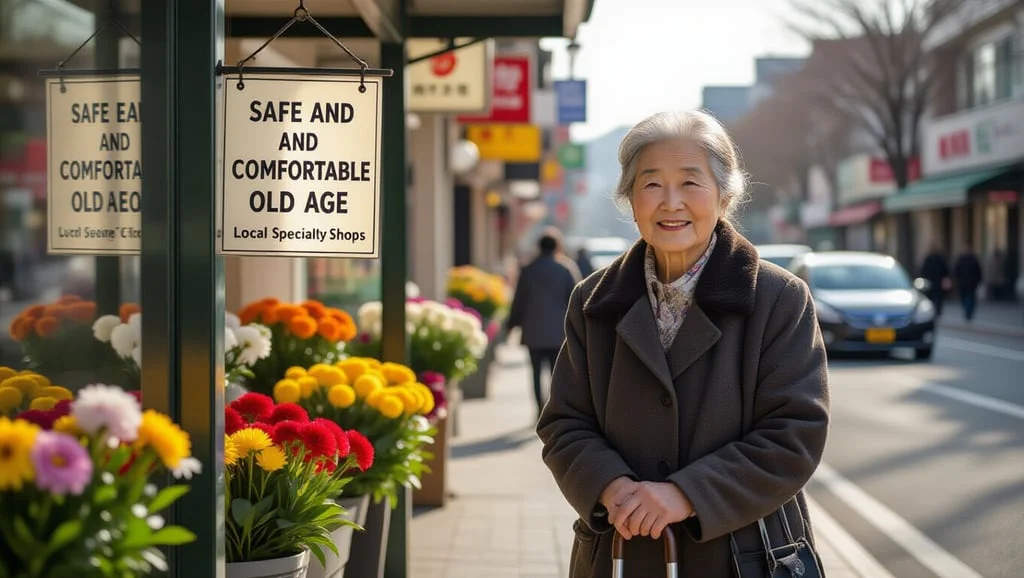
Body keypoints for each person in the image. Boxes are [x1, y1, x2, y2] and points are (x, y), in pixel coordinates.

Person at [536, 110, 830, 577]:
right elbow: (565, 423)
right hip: (621, 554)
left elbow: (794, 434)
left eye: (691, 183)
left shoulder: (779, 298)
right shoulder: (592, 300)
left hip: (743, 557)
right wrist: (611, 487)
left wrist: (686, 494)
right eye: (651, 184)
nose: (671, 203)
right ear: (630, 198)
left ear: (725, 195)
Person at [507, 232, 579, 418]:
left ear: (540, 247)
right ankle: (554, 410)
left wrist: (511, 324)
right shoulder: (565, 269)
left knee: (536, 372)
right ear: (557, 247)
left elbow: (519, 300)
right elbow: (575, 300)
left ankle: (539, 409)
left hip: (533, 331)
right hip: (558, 332)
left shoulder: (528, 270)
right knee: (557, 374)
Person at [919, 242, 950, 315]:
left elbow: (923, 271)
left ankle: (934, 311)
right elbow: (945, 270)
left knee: (934, 297)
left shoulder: (930, 258)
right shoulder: (938, 258)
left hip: (933, 282)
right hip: (936, 282)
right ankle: (937, 311)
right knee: (937, 298)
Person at [954, 243, 983, 321]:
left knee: (969, 298)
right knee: (967, 298)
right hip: (966, 283)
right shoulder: (963, 260)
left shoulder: (971, 259)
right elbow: (956, 271)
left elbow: (978, 271)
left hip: (968, 283)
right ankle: (968, 311)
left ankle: (968, 311)